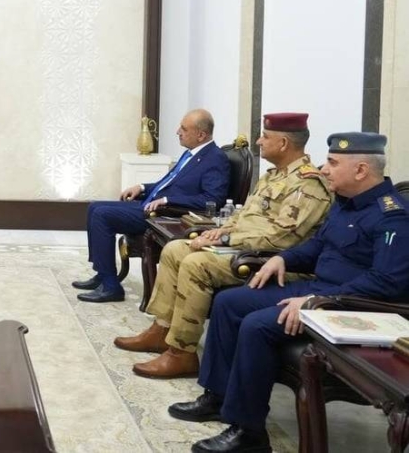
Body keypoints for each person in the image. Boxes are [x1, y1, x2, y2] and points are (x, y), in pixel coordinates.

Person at [172, 132, 409, 453]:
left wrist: (319, 302)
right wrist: (283, 259)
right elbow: (317, 247)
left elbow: (387, 282)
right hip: (317, 289)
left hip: (348, 304)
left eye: (333, 163)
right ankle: (218, 397)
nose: (324, 169)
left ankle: (249, 433)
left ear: (361, 170)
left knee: (256, 325)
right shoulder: (345, 203)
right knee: (228, 302)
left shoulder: (392, 216)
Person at [113, 113, 332, 379]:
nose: (259, 141)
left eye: (265, 137)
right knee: (175, 249)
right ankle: (162, 330)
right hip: (244, 245)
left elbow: (282, 237)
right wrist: (219, 232)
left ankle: (182, 352)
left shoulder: (308, 184)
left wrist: (228, 240)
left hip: (273, 261)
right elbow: (244, 217)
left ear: (284, 143)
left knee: (196, 264)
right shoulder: (272, 176)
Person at [73, 109, 231, 303]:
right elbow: (168, 184)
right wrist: (141, 187)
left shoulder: (215, 159)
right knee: (94, 207)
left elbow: (212, 199)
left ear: (201, 135)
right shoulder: (191, 153)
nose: (177, 132)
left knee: (102, 215)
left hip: (166, 216)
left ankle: (111, 287)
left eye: (183, 129)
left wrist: (168, 201)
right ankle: (103, 274)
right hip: (150, 205)